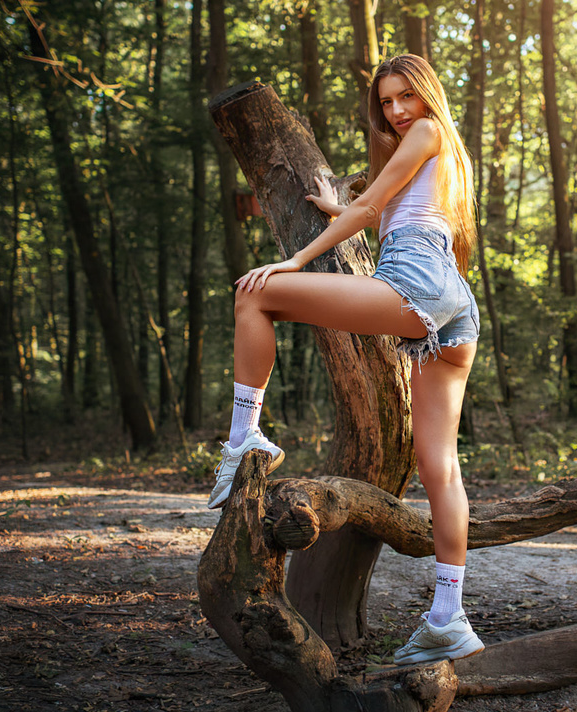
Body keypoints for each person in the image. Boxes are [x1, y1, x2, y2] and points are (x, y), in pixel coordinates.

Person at [208, 53, 485, 665]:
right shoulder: (438, 155)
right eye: (386, 102)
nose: (396, 110)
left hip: (418, 288)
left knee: (255, 295)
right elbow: (383, 210)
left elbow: (369, 210)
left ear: (426, 94)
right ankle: (450, 616)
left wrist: (296, 260)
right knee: (438, 466)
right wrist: (343, 209)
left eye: (405, 96)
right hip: (453, 309)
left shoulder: (427, 130)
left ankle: (243, 438)